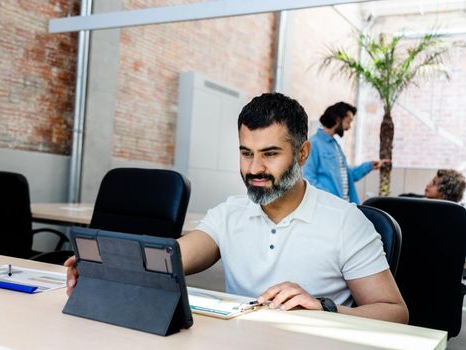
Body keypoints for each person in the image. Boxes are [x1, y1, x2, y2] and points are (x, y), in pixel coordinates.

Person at [65, 93, 408, 323]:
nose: (254, 168)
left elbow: (396, 312)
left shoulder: (346, 221)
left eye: (270, 154)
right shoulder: (229, 213)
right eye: (246, 153)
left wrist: (325, 308)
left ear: (302, 154)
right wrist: (108, 265)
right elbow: (170, 258)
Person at [303, 102, 389, 204]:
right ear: (338, 120)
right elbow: (308, 179)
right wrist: (331, 200)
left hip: (344, 206)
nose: (349, 127)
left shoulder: (335, 145)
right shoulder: (313, 144)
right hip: (330, 207)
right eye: (348, 122)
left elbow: (348, 175)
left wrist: (369, 166)